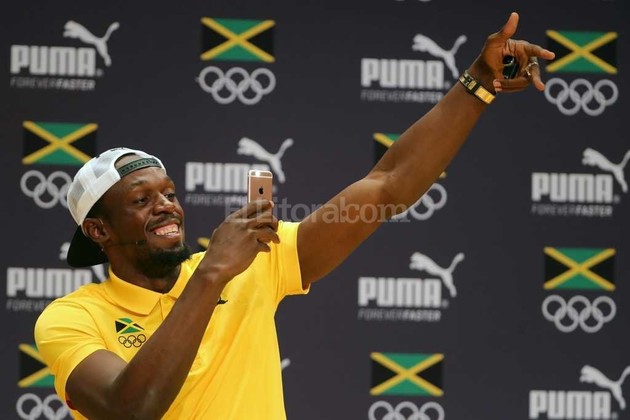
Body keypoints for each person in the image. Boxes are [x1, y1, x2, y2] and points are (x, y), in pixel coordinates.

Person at [34, 12, 555, 419]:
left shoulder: (254, 263)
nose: (166, 205)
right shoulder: (72, 318)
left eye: (168, 193)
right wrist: (212, 272)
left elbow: (387, 186)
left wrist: (477, 85)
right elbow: (129, 409)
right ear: (98, 230)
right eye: (141, 200)